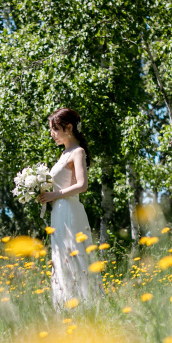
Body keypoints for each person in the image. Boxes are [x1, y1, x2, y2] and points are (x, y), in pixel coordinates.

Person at [37, 108, 103, 307]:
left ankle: (85, 305)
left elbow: (82, 185)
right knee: (60, 255)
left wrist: (54, 195)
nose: (52, 134)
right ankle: (65, 304)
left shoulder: (77, 152)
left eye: (55, 129)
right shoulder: (64, 154)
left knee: (74, 252)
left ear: (69, 128)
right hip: (58, 210)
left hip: (69, 209)